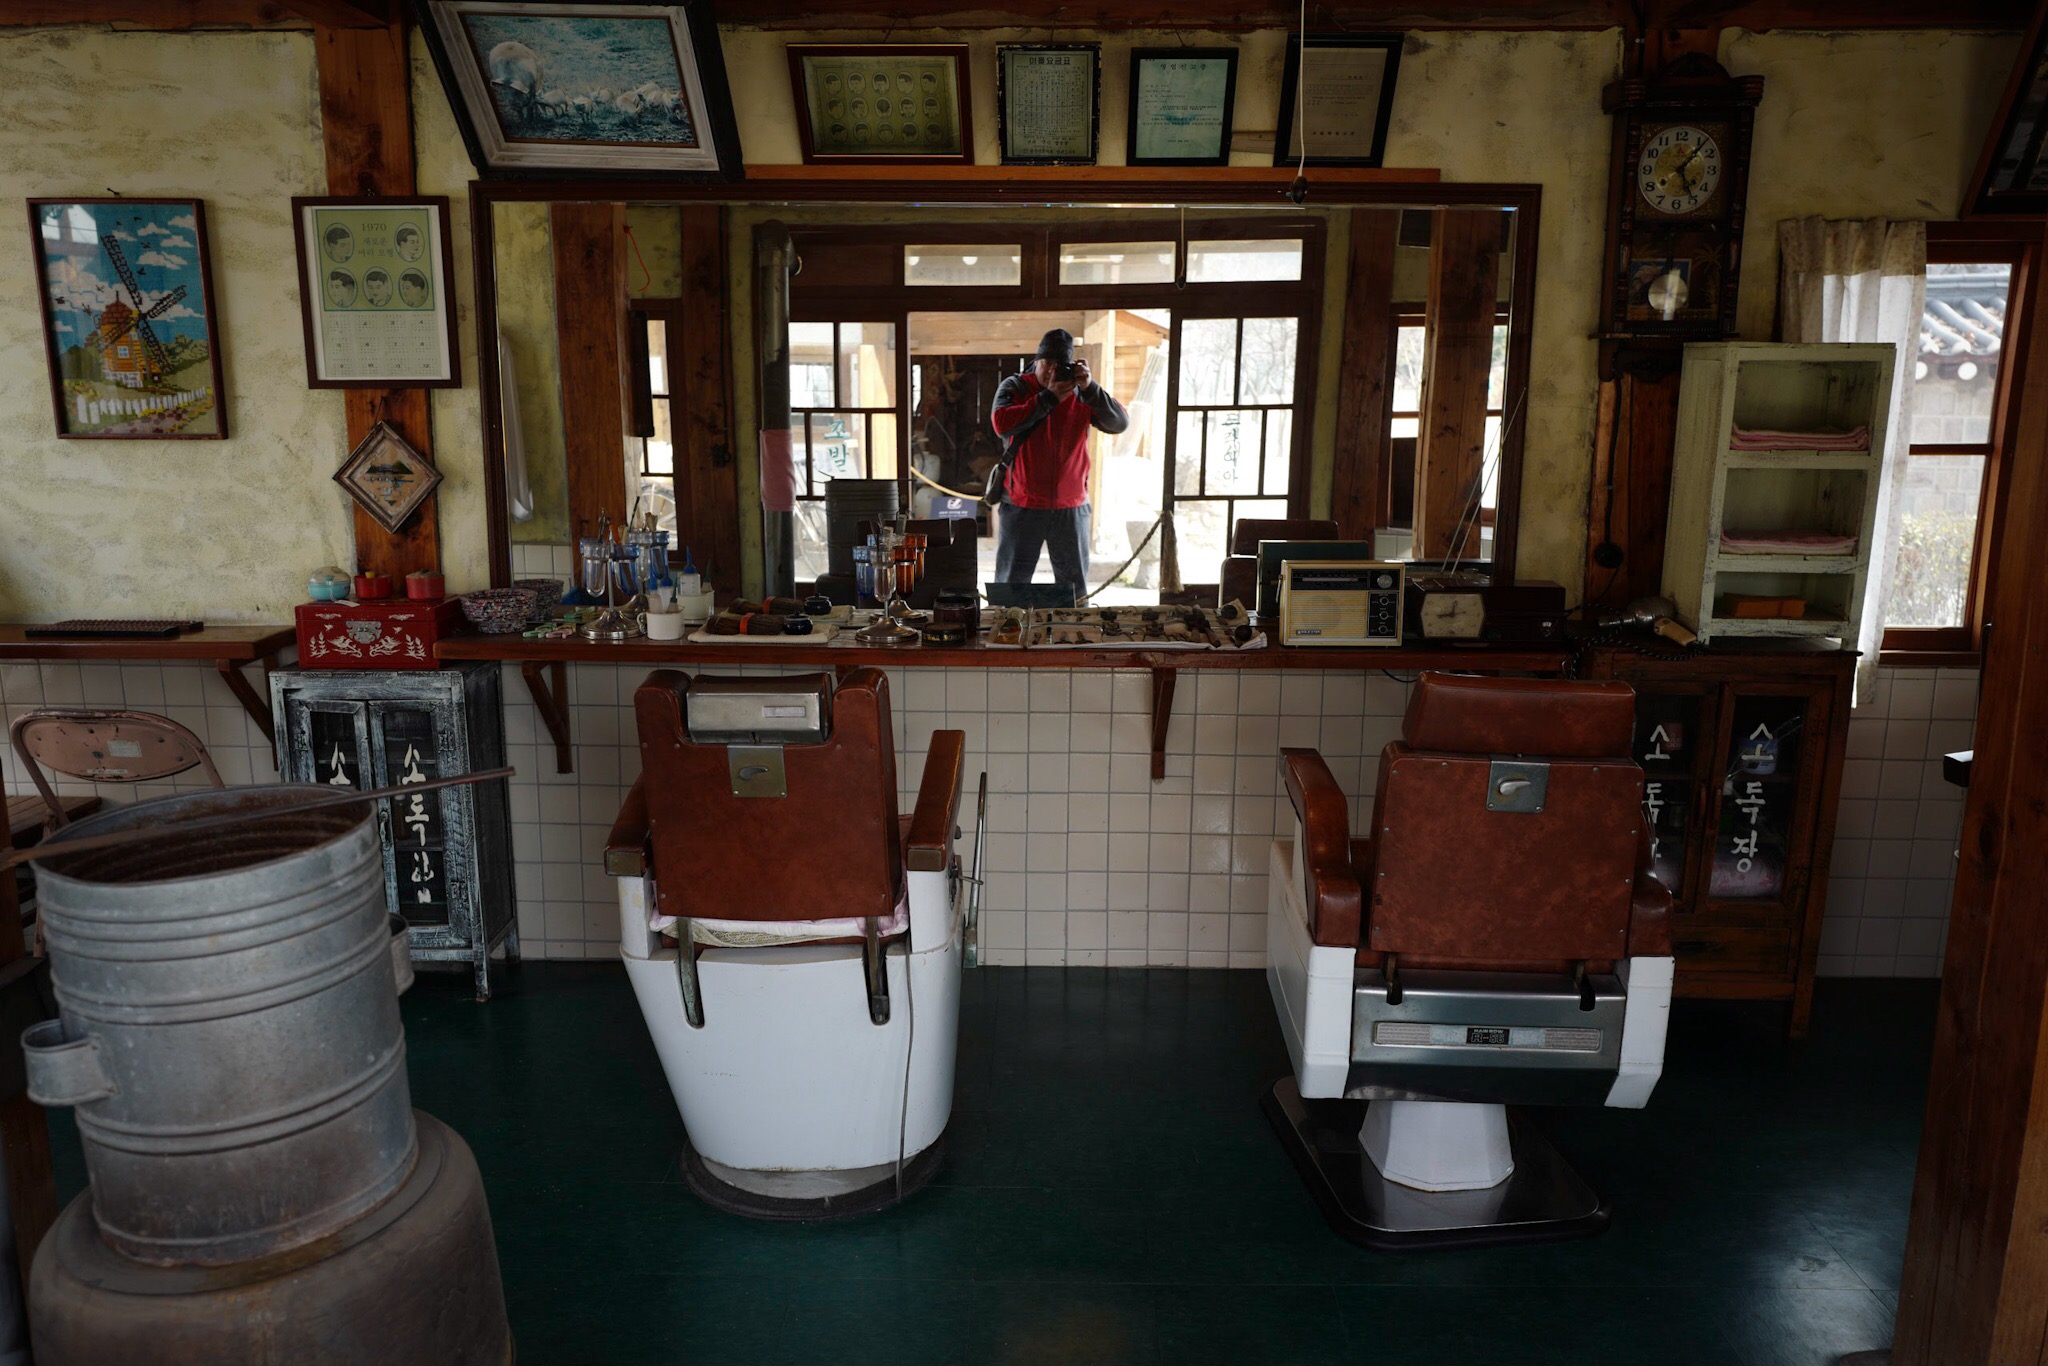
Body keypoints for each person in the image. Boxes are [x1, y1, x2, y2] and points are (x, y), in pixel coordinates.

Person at [988, 328, 1129, 604]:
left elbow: (1119, 423)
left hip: (1071, 507)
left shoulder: (1082, 393)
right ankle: (1005, 632)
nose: (1052, 371)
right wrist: (1049, 397)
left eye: (1059, 365)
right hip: (1022, 504)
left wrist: (1090, 387)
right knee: (1010, 588)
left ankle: (1073, 632)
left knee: (1074, 592)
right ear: (1036, 361)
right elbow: (1002, 424)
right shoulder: (1016, 386)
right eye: (1046, 364)